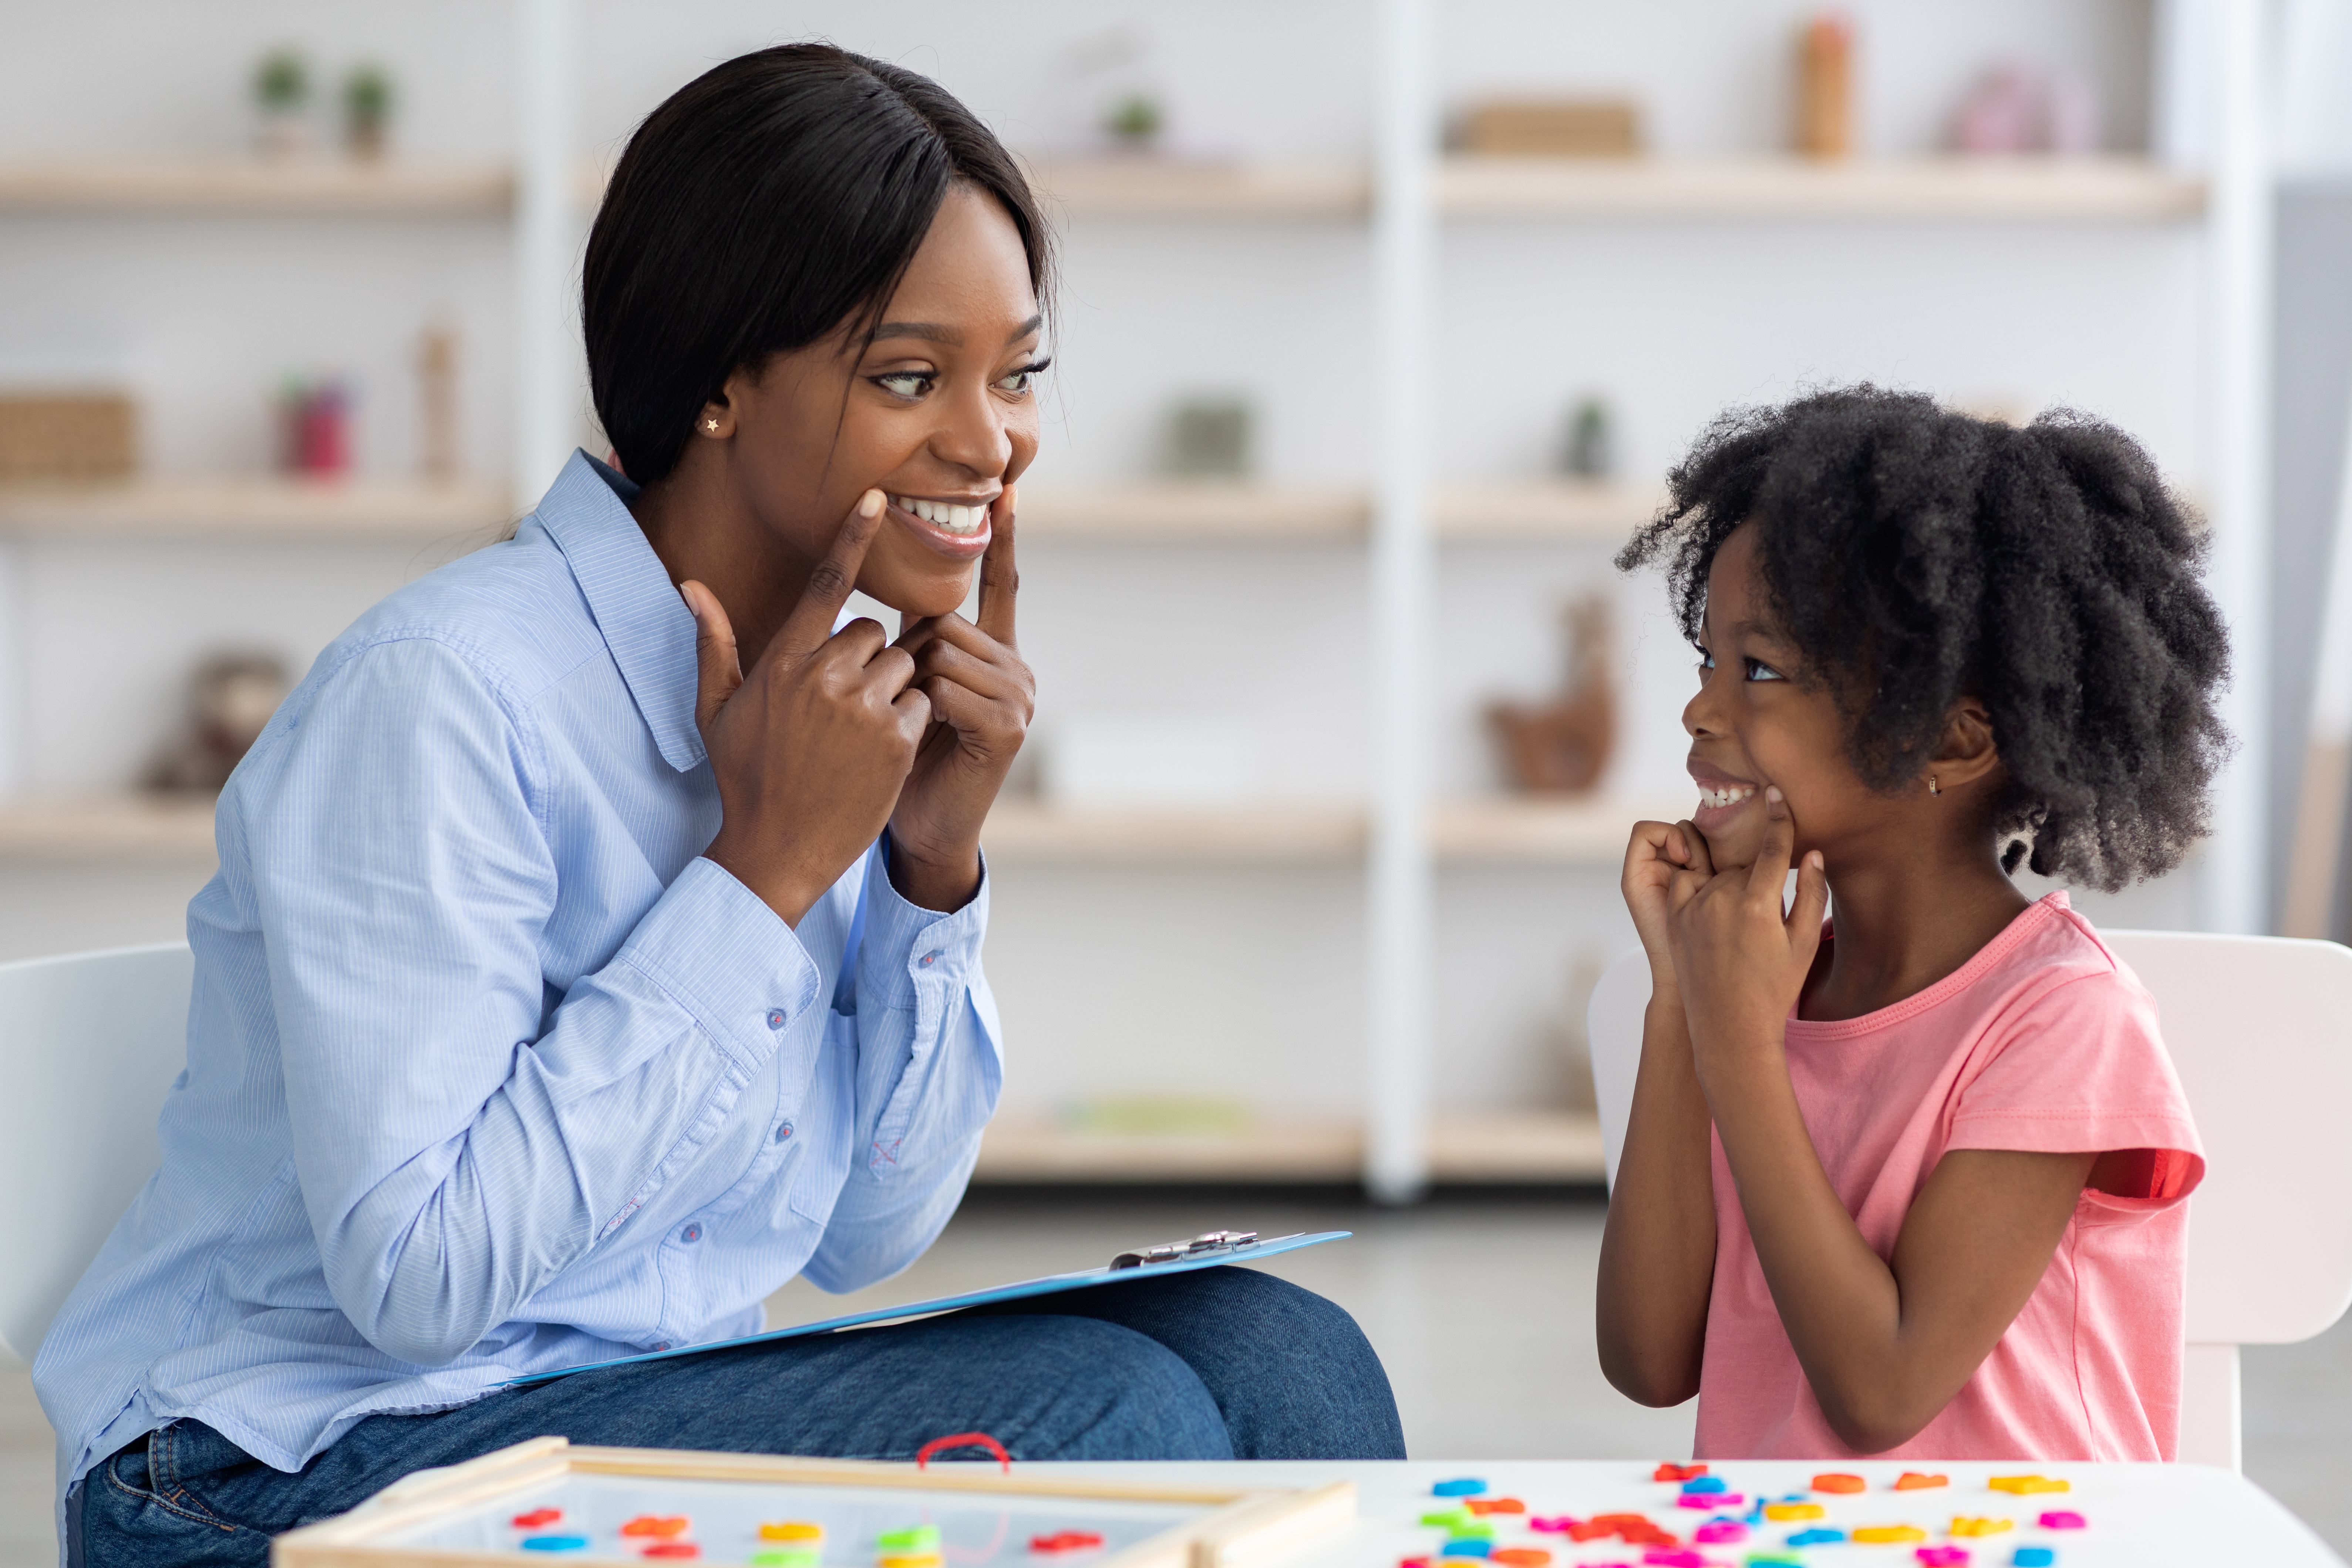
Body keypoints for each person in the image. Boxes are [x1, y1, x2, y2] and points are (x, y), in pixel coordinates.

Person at [42, 45, 1401, 1568]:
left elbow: (860, 1235)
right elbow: (418, 1277)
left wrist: (928, 863)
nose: (992, 441)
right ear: (718, 387)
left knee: (1282, 1358)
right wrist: (760, 874)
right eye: (910, 376)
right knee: (1103, 1421)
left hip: (607, 1403)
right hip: (272, 1472)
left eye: (1016, 373)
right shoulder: (441, 694)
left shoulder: (819, 699)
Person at [1596, 386, 2221, 1461]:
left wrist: (1739, 1046)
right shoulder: (1761, 985)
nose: (1701, 710)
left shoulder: (2064, 1021)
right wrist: (1682, 1004)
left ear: (1951, 742)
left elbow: (1883, 1390)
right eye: (1708, 661)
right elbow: (1650, 1363)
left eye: (1759, 672)